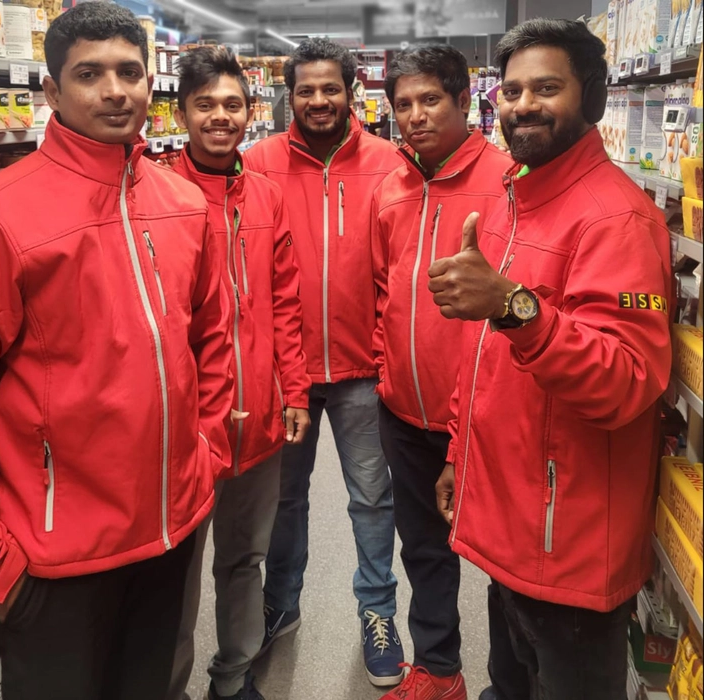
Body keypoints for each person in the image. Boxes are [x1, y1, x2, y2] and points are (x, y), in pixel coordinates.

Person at [0, 5, 234, 700]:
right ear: (52, 92)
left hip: (172, 532)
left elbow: (211, 341)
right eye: (89, 74)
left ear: (149, 82)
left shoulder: (183, 204)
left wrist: (206, 458)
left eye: (129, 72)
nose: (114, 91)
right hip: (54, 561)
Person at [428, 18, 672, 699]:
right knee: (508, 682)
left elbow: (624, 381)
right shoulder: (517, 198)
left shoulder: (616, 219)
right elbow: (482, 359)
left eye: (545, 88)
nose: (522, 105)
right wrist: (458, 454)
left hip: (567, 548)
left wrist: (514, 307)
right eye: (511, 91)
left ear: (590, 97)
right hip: (511, 529)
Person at [245, 38, 406, 687]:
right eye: (306, 90)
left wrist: (388, 348)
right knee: (284, 500)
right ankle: (280, 603)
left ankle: (377, 614)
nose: (318, 100)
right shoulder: (257, 163)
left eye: (330, 88)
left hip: (363, 369)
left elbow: (401, 268)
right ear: (289, 95)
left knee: (372, 498)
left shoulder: (390, 164)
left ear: (351, 91)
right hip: (286, 371)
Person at [168, 46, 311, 700]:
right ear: (182, 113)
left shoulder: (268, 197)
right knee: (174, 570)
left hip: (257, 417)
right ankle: (167, 685)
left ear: (249, 112)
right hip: (184, 428)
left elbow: (284, 303)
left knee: (244, 559)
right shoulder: (158, 196)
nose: (219, 117)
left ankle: (233, 677)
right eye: (205, 105)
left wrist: (295, 390)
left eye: (231, 104)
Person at [372, 46, 511, 700]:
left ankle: (514, 684)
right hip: (403, 409)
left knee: (504, 558)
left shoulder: (507, 182)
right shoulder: (391, 187)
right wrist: (385, 369)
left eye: (430, 100)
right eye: (403, 104)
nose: (415, 116)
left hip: (484, 414)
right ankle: (437, 669)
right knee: (423, 548)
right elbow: (383, 287)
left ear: (463, 100)